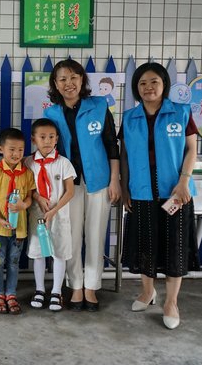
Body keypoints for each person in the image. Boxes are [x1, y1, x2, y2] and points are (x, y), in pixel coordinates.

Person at [120, 62, 200, 330]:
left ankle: (171, 303)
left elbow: (191, 150)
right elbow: (124, 155)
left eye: (154, 81)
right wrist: (125, 187)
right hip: (141, 192)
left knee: (175, 247)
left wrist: (184, 181)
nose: (148, 87)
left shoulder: (181, 112)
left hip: (176, 193)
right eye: (142, 83)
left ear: (164, 84)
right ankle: (147, 292)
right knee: (145, 245)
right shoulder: (129, 117)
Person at [44, 59, 121, 311]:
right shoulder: (51, 114)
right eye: (63, 79)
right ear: (56, 84)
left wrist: (115, 180)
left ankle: (91, 287)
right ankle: (76, 286)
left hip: (99, 181)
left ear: (82, 80)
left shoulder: (99, 106)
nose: (69, 83)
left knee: (96, 235)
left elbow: (111, 144)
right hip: (68, 185)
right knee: (72, 236)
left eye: (74, 77)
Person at [25, 118, 76, 311]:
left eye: (51, 137)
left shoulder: (64, 163)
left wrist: (55, 210)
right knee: (38, 253)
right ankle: (39, 289)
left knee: (59, 253)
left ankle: (56, 291)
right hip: (37, 216)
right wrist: (38, 197)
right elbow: (28, 188)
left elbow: (70, 191)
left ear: (57, 139)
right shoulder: (28, 162)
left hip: (59, 216)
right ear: (33, 139)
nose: (47, 141)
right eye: (42, 137)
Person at [0, 128, 35, 315]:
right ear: (1, 149)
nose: (16, 154)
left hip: (19, 229)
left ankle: (11, 294)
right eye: (11, 149)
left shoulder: (27, 174)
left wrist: (24, 205)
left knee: (14, 262)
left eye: (20, 150)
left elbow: (29, 197)